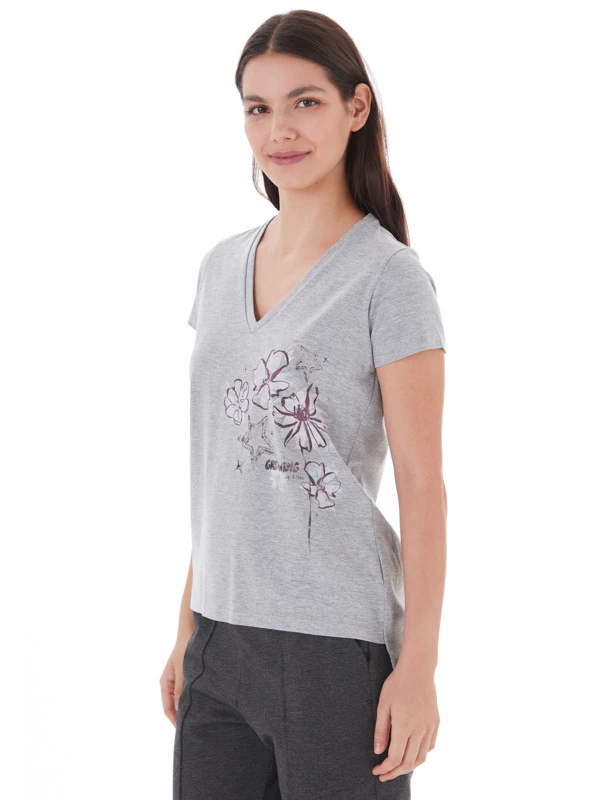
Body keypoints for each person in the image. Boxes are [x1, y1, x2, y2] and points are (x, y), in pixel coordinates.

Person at [160, 10, 447, 799]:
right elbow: (223, 465)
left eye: (305, 102)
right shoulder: (220, 267)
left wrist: (418, 667)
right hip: (218, 644)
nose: (279, 129)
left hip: (333, 653)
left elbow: (423, 485)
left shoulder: (389, 279)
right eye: (258, 107)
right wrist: (188, 627)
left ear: (357, 107)